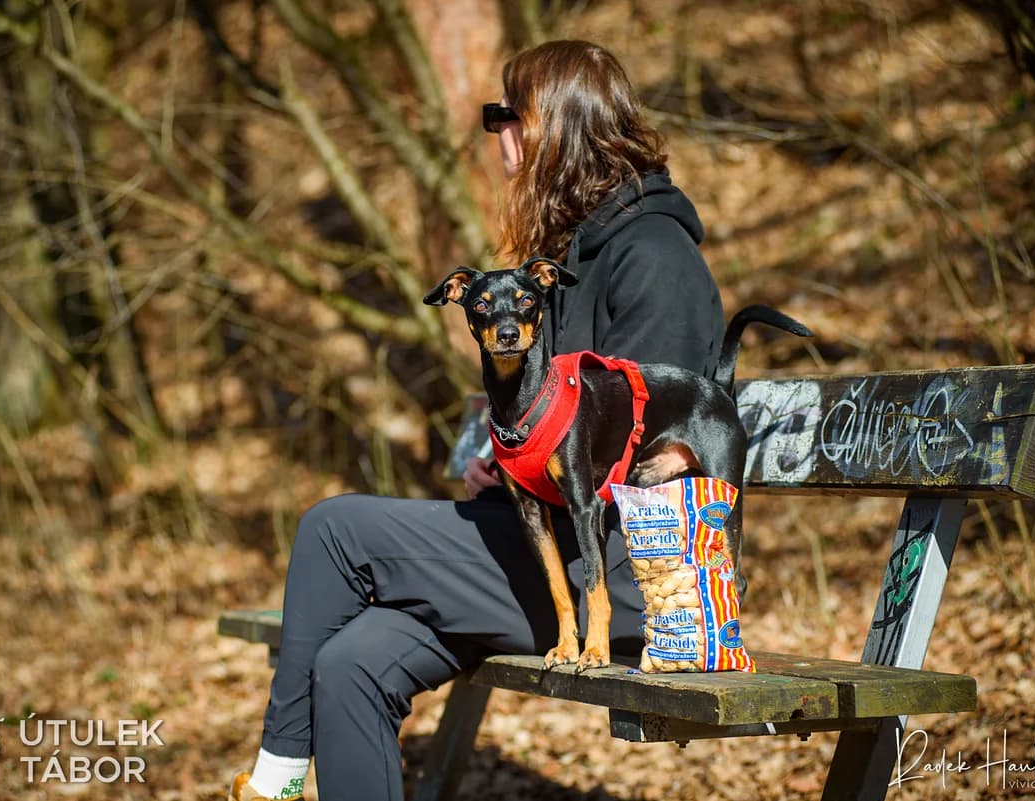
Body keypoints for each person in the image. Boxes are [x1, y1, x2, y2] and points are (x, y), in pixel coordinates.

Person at [228, 39, 726, 801]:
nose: (496, 132)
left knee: (334, 529)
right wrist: (506, 458)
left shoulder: (656, 257)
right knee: (349, 662)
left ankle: (272, 785)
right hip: (541, 547)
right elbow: (547, 421)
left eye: (507, 114)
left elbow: (644, 455)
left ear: (557, 128)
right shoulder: (563, 262)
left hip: (630, 580)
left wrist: (542, 464)